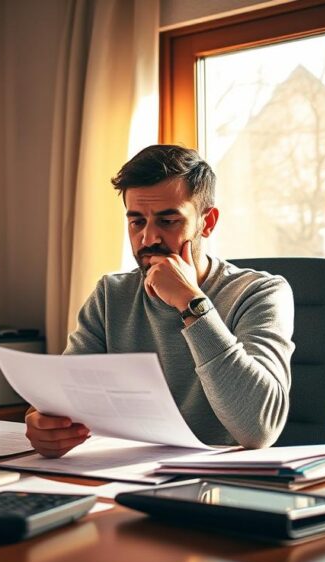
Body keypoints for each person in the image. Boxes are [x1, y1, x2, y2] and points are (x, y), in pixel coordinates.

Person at [26, 145, 295, 457]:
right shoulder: (111, 296)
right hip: (126, 475)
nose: (148, 238)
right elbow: (59, 400)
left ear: (207, 223)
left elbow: (258, 428)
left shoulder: (260, 293)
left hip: (222, 487)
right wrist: (43, 425)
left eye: (168, 221)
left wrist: (192, 303)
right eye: (137, 221)